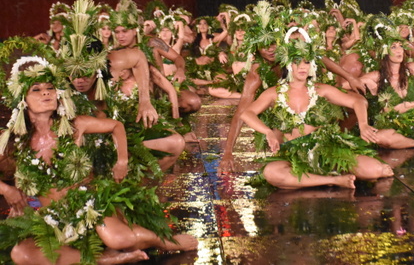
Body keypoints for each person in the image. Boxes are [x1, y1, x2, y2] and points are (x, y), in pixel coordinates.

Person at [0, 56, 198, 264]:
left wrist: (122, 161)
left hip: (92, 205)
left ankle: (164, 242)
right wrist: (7, 190)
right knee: (21, 254)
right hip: (52, 217)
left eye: (50, 88)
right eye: (36, 90)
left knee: (118, 239)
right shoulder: (13, 139)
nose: (46, 93)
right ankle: (105, 259)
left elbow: (115, 126)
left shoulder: (76, 125)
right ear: (22, 99)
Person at [239, 27, 392, 189]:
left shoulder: (321, 90)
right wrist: (268, 132)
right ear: (289, 65)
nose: (302, 67)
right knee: (271, 172)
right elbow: (247, 113)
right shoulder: (274, 93)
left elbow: (358, 101)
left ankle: (324, 173)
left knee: (378, 170)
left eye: (306, 62)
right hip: (293, 156)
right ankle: (334, 180)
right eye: (297, 62)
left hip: (326, 150)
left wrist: (363, 124)